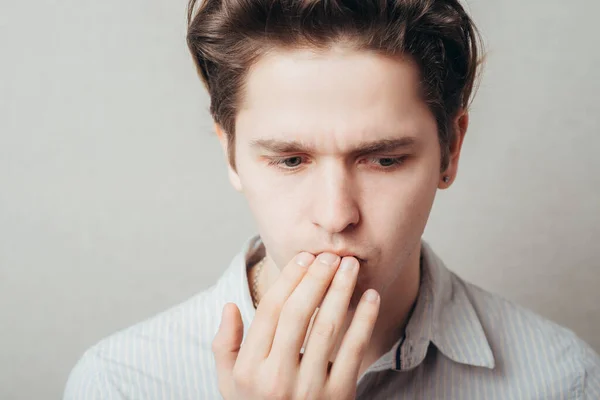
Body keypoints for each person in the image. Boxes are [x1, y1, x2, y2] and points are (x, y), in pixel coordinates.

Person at [64, 0, 600, 398]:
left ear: (450, 150)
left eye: (385, 160)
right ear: (231, 156)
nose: (336, 215)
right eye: (290, 160)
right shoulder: (121, 383)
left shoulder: (560, 379)